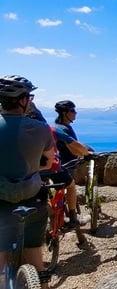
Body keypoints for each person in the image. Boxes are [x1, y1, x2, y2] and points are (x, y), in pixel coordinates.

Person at [0, 75, 55, 288]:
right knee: (34, 254)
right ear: (22, 100)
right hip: (33, 198)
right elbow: (49, 162)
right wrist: (33, 167)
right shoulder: (41, 128)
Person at [53, 100, 93, 227]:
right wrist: (85, 153)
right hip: (66, 163)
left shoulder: (54, 126)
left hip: (51, 164)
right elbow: (73, 149)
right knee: (71, 186)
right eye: (73, 111)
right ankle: (73, 218)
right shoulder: (65, 129)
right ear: (65, 113)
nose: (75, 113)